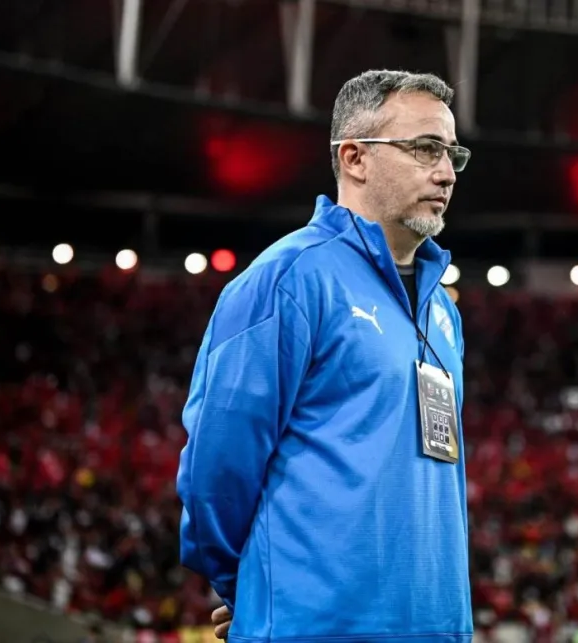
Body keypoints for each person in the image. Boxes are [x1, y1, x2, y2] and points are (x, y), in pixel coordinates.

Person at [177, 69, 473, 643]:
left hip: (437, 626)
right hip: (314, 627)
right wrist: (252, 591)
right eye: (425, 149)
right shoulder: (286, 280)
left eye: (452, 153)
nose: (445, 172)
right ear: (355, 158)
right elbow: (217, 469)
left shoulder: (444, 309)